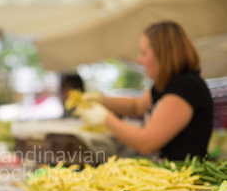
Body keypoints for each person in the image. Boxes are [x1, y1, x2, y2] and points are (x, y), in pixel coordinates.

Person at [77, 21, 213, 161]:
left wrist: (105, 119)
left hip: (178, 176)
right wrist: (100, 99)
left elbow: (146, 142)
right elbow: (136, 106)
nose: (139, 60)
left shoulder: (187, 87)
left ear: (163, 54)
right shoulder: (165, 85)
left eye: (143, 53)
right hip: (160, 173)